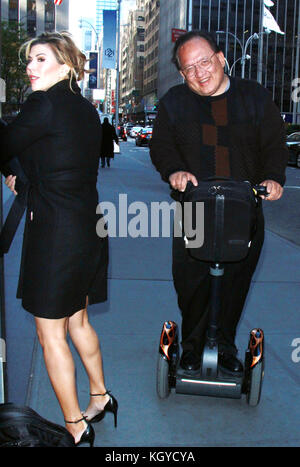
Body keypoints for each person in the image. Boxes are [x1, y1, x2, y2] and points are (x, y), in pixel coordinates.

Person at [0, 32, 118, 447]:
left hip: (55, 233)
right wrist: (25, 173)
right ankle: (101, 396)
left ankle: (74, 426)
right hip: (89, 226)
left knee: (50, 334)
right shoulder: (86, 110)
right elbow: (55, 156)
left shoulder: (42, 103)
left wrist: (18, 171)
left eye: (40, 59)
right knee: (78, 321)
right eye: (29, 60)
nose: (30, 68)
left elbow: (6, 144)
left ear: (66, 65)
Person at [150, 30, 288, 375]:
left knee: (235, 282)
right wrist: (175, 171)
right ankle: (193, 349)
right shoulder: (174, 103)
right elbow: (161, 146)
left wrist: (273, 178)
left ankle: (225, 346)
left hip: (244, 210)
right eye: (189, 69)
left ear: (222, 58)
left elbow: (274, 144)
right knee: (191, 282)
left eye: (205, 62)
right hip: (195, 210)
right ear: (182, 75)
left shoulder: (254, 97)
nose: (200, 73)